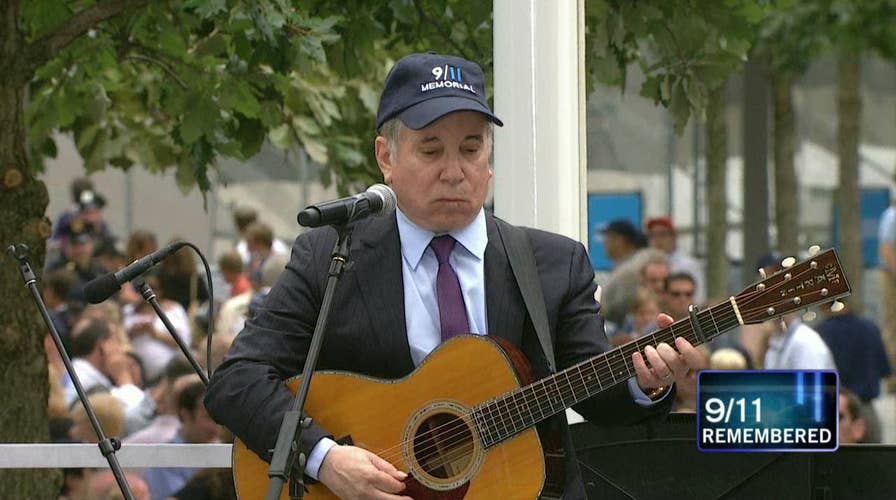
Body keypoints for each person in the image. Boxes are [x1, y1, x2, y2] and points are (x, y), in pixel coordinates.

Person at [204, 52, 704, 500]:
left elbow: (593, 389)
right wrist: (326, 458)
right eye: (430, 150)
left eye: (470, 149)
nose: (454, 170)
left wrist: (647, 384)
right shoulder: (331, 256)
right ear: (386, 157)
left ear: (489, 160)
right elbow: (237, 380)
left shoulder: (554, 263)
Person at [645, 216, 705, 303]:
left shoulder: (688, 265)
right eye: (652, 235)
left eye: (662, 234)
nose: (657, 240)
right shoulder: (644, 263)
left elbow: (699, 298)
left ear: (673, 236)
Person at [878, 199, 896, 392]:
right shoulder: (891, 216)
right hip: (891, 277)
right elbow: (886, 249)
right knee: (892, 327)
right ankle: (892, 379)